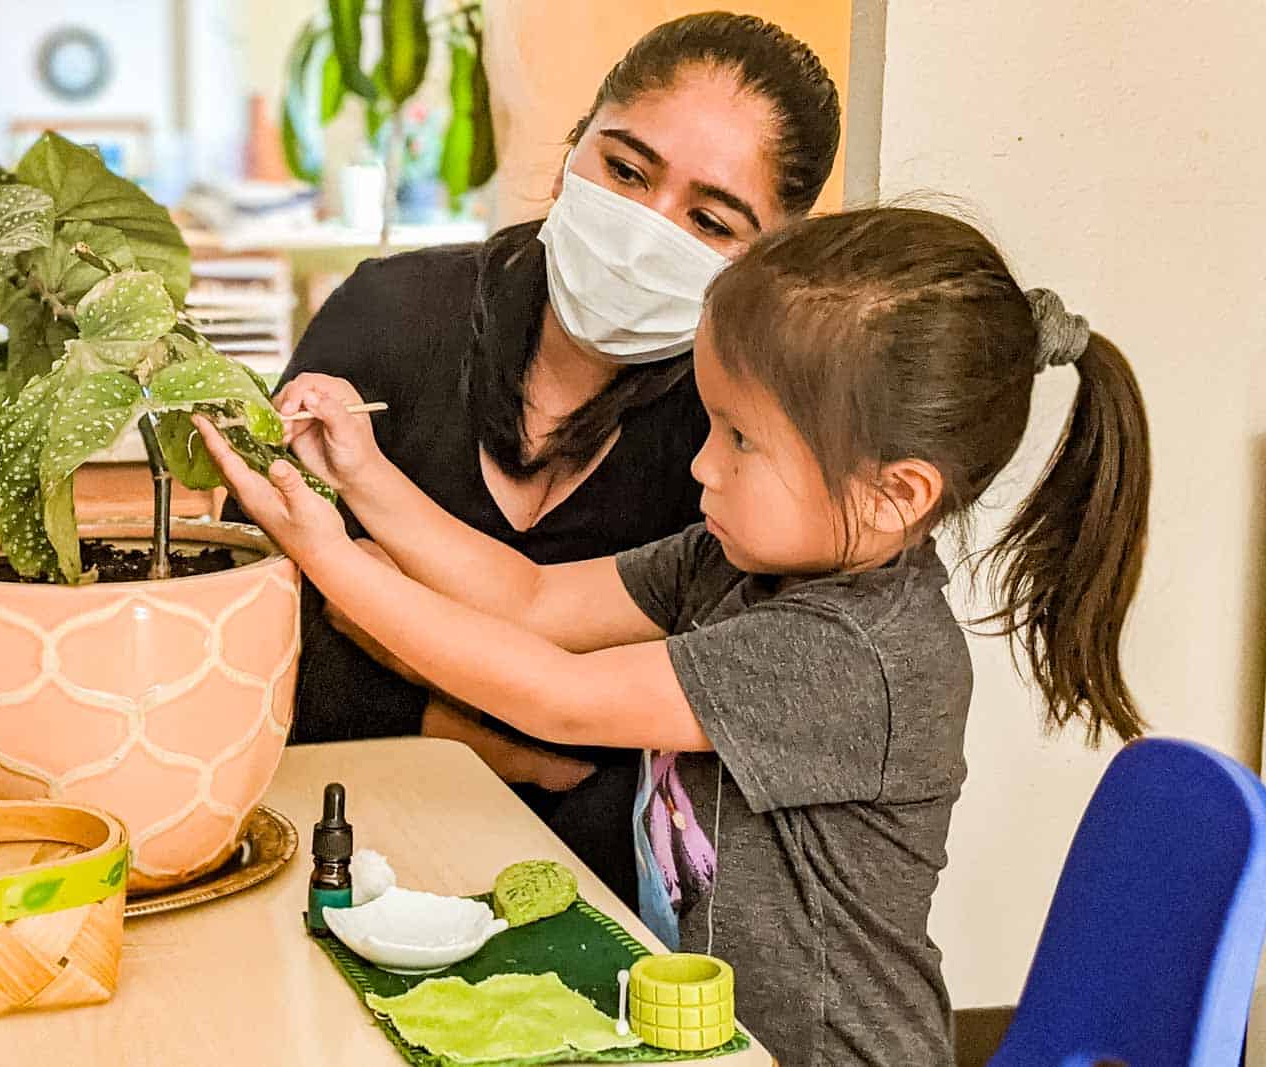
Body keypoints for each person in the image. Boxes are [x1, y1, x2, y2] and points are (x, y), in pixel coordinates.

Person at [195, 206, 1153, 1067]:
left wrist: (328, 556)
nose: (701, 462)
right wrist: (360, 479)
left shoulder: (851, 655)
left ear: (893, 491)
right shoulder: (737, 560)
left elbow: (550, 691)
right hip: (704, 1035)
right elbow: (529, 601)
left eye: (741, 439)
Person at [272, 12, 841, 906]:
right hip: (338, 832)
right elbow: (264, 611)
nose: (644, 229)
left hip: (616, 907)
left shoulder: (735, 436)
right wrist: (471, 733)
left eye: (709, 219)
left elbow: (661, 701)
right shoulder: (390, 318)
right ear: (576, 143)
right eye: (624, 170)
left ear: (767, 259)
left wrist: (382, 605)